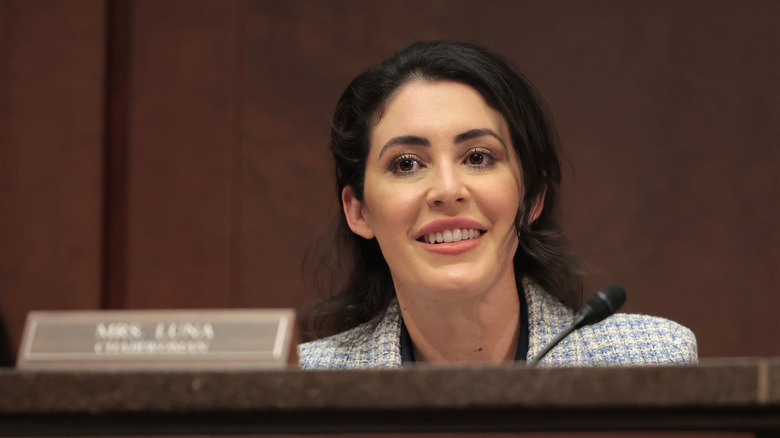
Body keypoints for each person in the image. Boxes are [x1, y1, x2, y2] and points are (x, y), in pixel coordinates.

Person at [297, 41, 697, 368]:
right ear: (358, 210)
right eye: (407, 164)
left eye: (477, 157)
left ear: (532, 197)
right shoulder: (304, 386)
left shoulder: (645, 362)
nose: (447, 190)